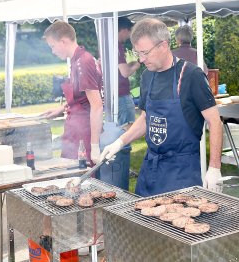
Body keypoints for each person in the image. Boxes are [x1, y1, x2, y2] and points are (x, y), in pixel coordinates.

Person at [100, 18, 223, 197]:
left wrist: (214, 168)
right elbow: (145, 118)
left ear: (163, 46)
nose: (141, 60)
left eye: (145, 53)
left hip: (182, 172)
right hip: (151, 170)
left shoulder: (191, 75)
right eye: (137, 53)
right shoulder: (147, 77)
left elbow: (215, 122)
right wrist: (120, 142)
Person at [41, 20, 103, 165]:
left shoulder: (83, 62)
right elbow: (80, 98)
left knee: (81, 179)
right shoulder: (76, 60)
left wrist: (94, 147)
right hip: (75, 128)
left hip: (84, 132)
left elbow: (97, 106)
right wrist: (60, 109)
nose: (53, 51)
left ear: (63, 41)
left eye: (53, 46)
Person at [117, 17, 141, 128]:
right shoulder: (117, 47)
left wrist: (131, 64)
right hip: (122, 96)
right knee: (127, 129)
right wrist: (137, 64)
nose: (129, 36)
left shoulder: (109, 44)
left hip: (116, 95)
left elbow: (120, 68)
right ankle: (125, 146)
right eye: (129, 32)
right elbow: (125, 73)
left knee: (119, 130)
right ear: (124, 30)